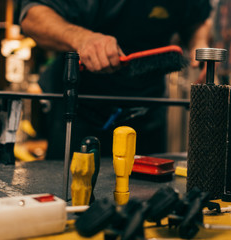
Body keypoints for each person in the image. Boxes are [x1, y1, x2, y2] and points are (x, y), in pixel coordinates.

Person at [19, 0, 212, 159]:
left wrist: (200, 44)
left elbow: (198, 19)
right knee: (72, 192)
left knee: (148, 193)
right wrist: (83, 39)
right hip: (81, 109)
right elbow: (32, 16)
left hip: (147, 108)